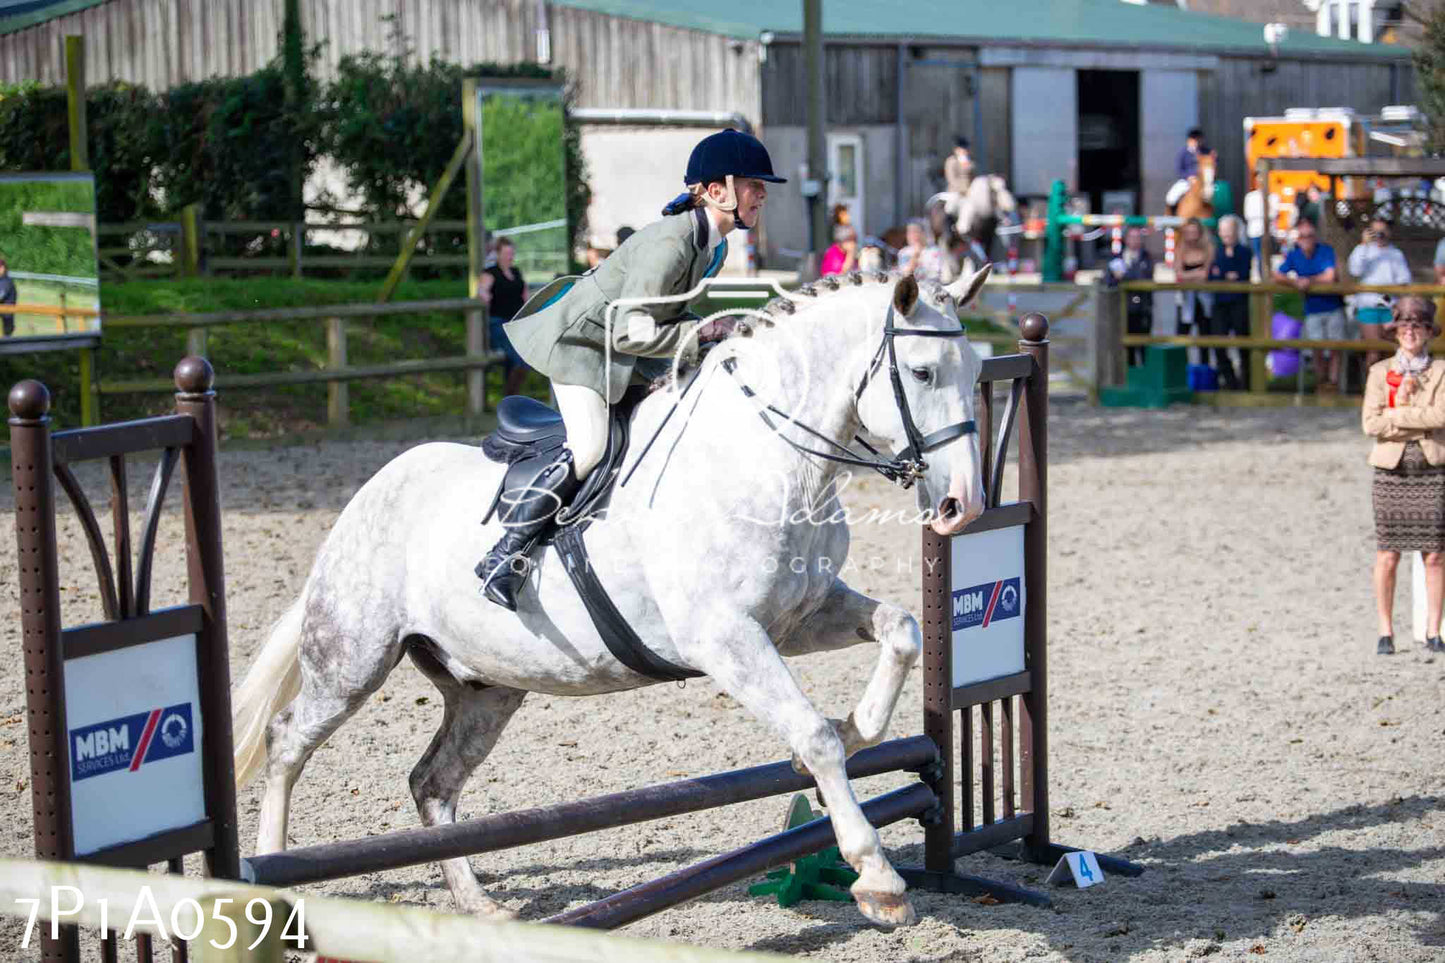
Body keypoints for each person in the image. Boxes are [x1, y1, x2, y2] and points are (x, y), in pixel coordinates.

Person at [477, 128, 784, 609]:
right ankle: (505, 555)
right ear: (716, 190)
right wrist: (700, 334)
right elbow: (632, 331)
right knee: (590, 447)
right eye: (752, 183)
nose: (762, 193)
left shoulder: (713, 247)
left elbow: (667, 313)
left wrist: (716, 330)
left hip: (623, 353)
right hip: (580, 347)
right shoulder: (671, 244)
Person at [1362, 296, 1445, 655]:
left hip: (1431, 469)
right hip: (1391, 472)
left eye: (1417, 326)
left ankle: (1433, 630)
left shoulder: (1441, 372)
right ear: (1395, 333)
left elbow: (1440, 418)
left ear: (1428, 332)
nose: (1410, 333)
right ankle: (1385, 630)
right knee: (1388, 553)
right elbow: (1370, 423)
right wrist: (1411, 414)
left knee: (1435, 553)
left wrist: (1396, 416)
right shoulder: (1380, 373)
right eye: (1404, 327)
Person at [1273, 219, 1347, 393]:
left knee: (1336, 347)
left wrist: (1308, 281)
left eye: (1310, 236)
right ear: (1298, 239)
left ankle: (1334, 382)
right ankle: (1321, 381)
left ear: (1315, 237)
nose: (1306, 239)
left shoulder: (1326, 252)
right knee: (1316, 347)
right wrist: (1295, 282)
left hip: (1332, 306)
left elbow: (1330, 276)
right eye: (1303, 236)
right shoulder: (1294, 255)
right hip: (1312, 309)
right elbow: (1276, 274)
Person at [1348, 217, 1411, 370]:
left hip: (1389, 307)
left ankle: (1389, 389)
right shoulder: (1362, 250)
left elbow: (1403, 280)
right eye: (1375, 231)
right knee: (1374, 352)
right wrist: (1364, 244)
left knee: (1391, 351)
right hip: (1368, 306)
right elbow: (1355, 270)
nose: (1379, 235)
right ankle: (1372, 389)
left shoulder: (1396, 254)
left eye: (1382, 231)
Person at [1208, 215, 1253, 389]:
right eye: (1224, 231)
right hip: (1220, 304)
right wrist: (1225, 276)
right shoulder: (1216, 252)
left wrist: (1224, 275)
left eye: (1230, 231)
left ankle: (1247, 383)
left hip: (1239, 303)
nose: (1226, 234)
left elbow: (1241, 274)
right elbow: (1214, 275)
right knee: (1218, 344)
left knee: (1243, 345)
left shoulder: (1244, 251)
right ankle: (1230, 381)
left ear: (1236, 232)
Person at [484, 237, 531, 398]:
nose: (510, 256)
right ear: (498, 254)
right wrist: (484, 296)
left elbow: (525, 295)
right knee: (519, 360)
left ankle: (512, 398)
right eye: (506, 253)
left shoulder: (516, 272)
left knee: (523, 360)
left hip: (516, 323)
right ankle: (509, 397)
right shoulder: (490, 273)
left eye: (512, 253)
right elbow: (482, 291)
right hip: (499, 323)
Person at [1105, 227, 1155, 367]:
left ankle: (1145, 375)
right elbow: (1109, 281)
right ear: (1126, 239)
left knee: (1144, 346)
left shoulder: (1147, 257)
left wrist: (1124, 276)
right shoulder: (1117, 258)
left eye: (1137, 237)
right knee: (1126, 348)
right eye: (1132, 237)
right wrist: (1120, 278)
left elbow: (1144, 278)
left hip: (1142, 309)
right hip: (1123, 309)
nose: (1134, 240)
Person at [1174, 218, 1214, 370]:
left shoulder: (1208, 248)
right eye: (1188, 232)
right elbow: (1178, 275)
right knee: (1181, 336)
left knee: (1205, 337)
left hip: (1203, 298)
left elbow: (1206, 274)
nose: (1192, 235)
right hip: (1185, 299)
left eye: (1194, 232)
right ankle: (1180, 370)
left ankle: (1204, 370)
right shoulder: (1180, 248)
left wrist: (1188, 275)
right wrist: (1196, 274)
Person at [1165, 128, 1205, 211]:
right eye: (1195, 140)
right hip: (1187, 181)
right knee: (1171, 197)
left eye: (1198, 140)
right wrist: (1188, 177)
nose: (1197, 142)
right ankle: (1171, 218)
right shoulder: (1183, 153)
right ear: (1189, 140)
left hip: (1203, 182)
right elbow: (1179, 170)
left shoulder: (1206, 152)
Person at [1243, 187, 1267, 276]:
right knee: (1257, 256)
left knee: (1264, 256)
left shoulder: (1271, 197)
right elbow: (1248, 214)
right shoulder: (1250, 197)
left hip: (1266, 232)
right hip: (1254, 232)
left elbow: (1272, 213)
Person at [0, 258, 15, 338]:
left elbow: (1, 296)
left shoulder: (6, 281)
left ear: (2, 268)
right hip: (3, 312)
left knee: (7, 339)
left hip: (7, 314)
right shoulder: (2, 280)